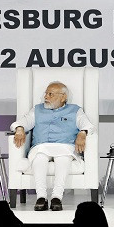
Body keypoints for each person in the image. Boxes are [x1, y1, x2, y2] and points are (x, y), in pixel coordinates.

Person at [11, 80, 96, 211]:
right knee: (39, 157)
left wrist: (82, 133)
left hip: (64, 146)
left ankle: (57, 197)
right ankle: (41, 197)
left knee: (63, 158)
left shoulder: (75, 110)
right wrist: (20, 129)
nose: (46, 97)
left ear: (63, 97)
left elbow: (87, 125)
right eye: (46, 93)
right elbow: (23, 122)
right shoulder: (37, 109)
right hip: (41, 146)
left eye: (51, 94)